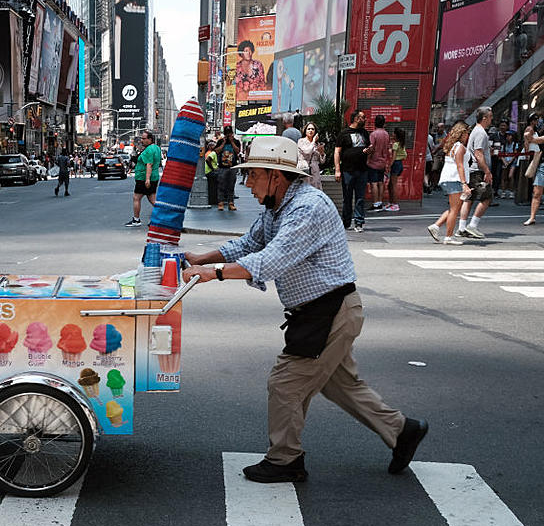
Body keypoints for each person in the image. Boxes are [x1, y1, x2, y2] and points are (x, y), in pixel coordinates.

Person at [180, 135, 428, 483]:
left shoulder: (307, 208)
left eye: (253, 175)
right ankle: (403, 431)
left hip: (329, 312)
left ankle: (286, 459)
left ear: (276, 176)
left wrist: (213, 273)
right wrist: (200, 257)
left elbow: (271, 259)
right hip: (320, 312)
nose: (247, 183)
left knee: (286, 384)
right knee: (339, 384)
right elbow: (250, 243)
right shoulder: (277, 207)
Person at [427, 121, 471, 245]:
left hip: (450, 179)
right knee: (455, 210)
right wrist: (464, 183)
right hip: (455, 180)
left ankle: (436, 226)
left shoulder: (452, 145)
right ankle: (448, 237)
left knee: (454, 208)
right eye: (467, 133)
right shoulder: (460, 147)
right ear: (462, 133)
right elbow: (460, 166)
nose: (468, 136)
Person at [458, 106, 494, 239]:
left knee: (469, 199)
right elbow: (479, 154)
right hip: (477, 171)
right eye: (490, 117)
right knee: (487, 197)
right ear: (484, 118)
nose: (491, 119)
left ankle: (462, 228)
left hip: (472, 170)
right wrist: (487, 171)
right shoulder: (480, 132)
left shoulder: (476, 131)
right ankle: (472, 226)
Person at [334, 110, 370, 232]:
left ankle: (359, 222)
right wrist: (337, 170)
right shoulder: (344, 133)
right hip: (348, 170)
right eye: (363, 117)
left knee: (360, 197)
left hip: (362, 169)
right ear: (356, 119)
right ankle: (346, 221)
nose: (365, 119)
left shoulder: (365, 133)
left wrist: (369, 151)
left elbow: (368, 148)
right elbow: (337, 152)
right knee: (347, 197)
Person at [125, 130, 161, 226]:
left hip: (144, 178)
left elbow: (149, 164)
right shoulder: (157, 148)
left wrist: (147, 179)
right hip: (153, 177)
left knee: (136, 197)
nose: (142, 140)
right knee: (152, 199)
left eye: (144, 138)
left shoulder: (149, 150)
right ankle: (160, 218)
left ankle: (136, 220)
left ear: (150, 139)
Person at [367, 115, 391, 212]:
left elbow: (371, 148)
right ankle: (380, 202)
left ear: (375, 122)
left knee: (374, 183)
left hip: (374, 161)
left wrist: (368, 159)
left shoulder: (374, 134)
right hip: (383, 161)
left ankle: (375, 203)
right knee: (381, 182)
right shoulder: (386, 134)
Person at [214, 126, 239, 211]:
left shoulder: (236, 141)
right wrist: (223, 143)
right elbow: (217, 151)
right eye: (227, 134)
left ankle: (231, 203)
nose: (228, 135)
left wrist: (232, 142)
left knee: (231, 186)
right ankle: (220, 203)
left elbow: (237, 151)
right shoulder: (221, 141)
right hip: (222, 167)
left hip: (232, 167)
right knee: (221, 185)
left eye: (230, 133)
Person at [296, 122, 324, 189]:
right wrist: (313, 141)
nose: (311, 130)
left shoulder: (317, 144)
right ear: (305, 131)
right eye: (308, 129)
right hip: (304, 168)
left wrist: (322, 153)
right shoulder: (301, 141)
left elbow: (322, 161)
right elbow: (307, 152)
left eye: (312, 129)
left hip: (315, 171)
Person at [385, 128, 406, 211]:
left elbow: (393, 157)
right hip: (399, 163)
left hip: (395, 164)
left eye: (393, 133)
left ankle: (395, 204)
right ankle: (391, 203)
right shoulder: (401, 144)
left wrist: (389, 165)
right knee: (390, 185)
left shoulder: (395, 144)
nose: (392, 134)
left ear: (396, 135)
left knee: (393, 185)